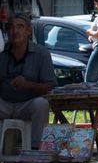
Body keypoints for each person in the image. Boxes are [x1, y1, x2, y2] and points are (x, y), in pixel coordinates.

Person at [0, 13, 56, 147]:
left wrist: (27, 85)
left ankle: (35, 150)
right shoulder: (2, 54)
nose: (15, 31)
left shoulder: (41, 53)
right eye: (12, 27)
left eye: (20, 27)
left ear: (28, 31)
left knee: (41, 104)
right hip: (4, 103)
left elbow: (50, 86)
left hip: (27, 104)